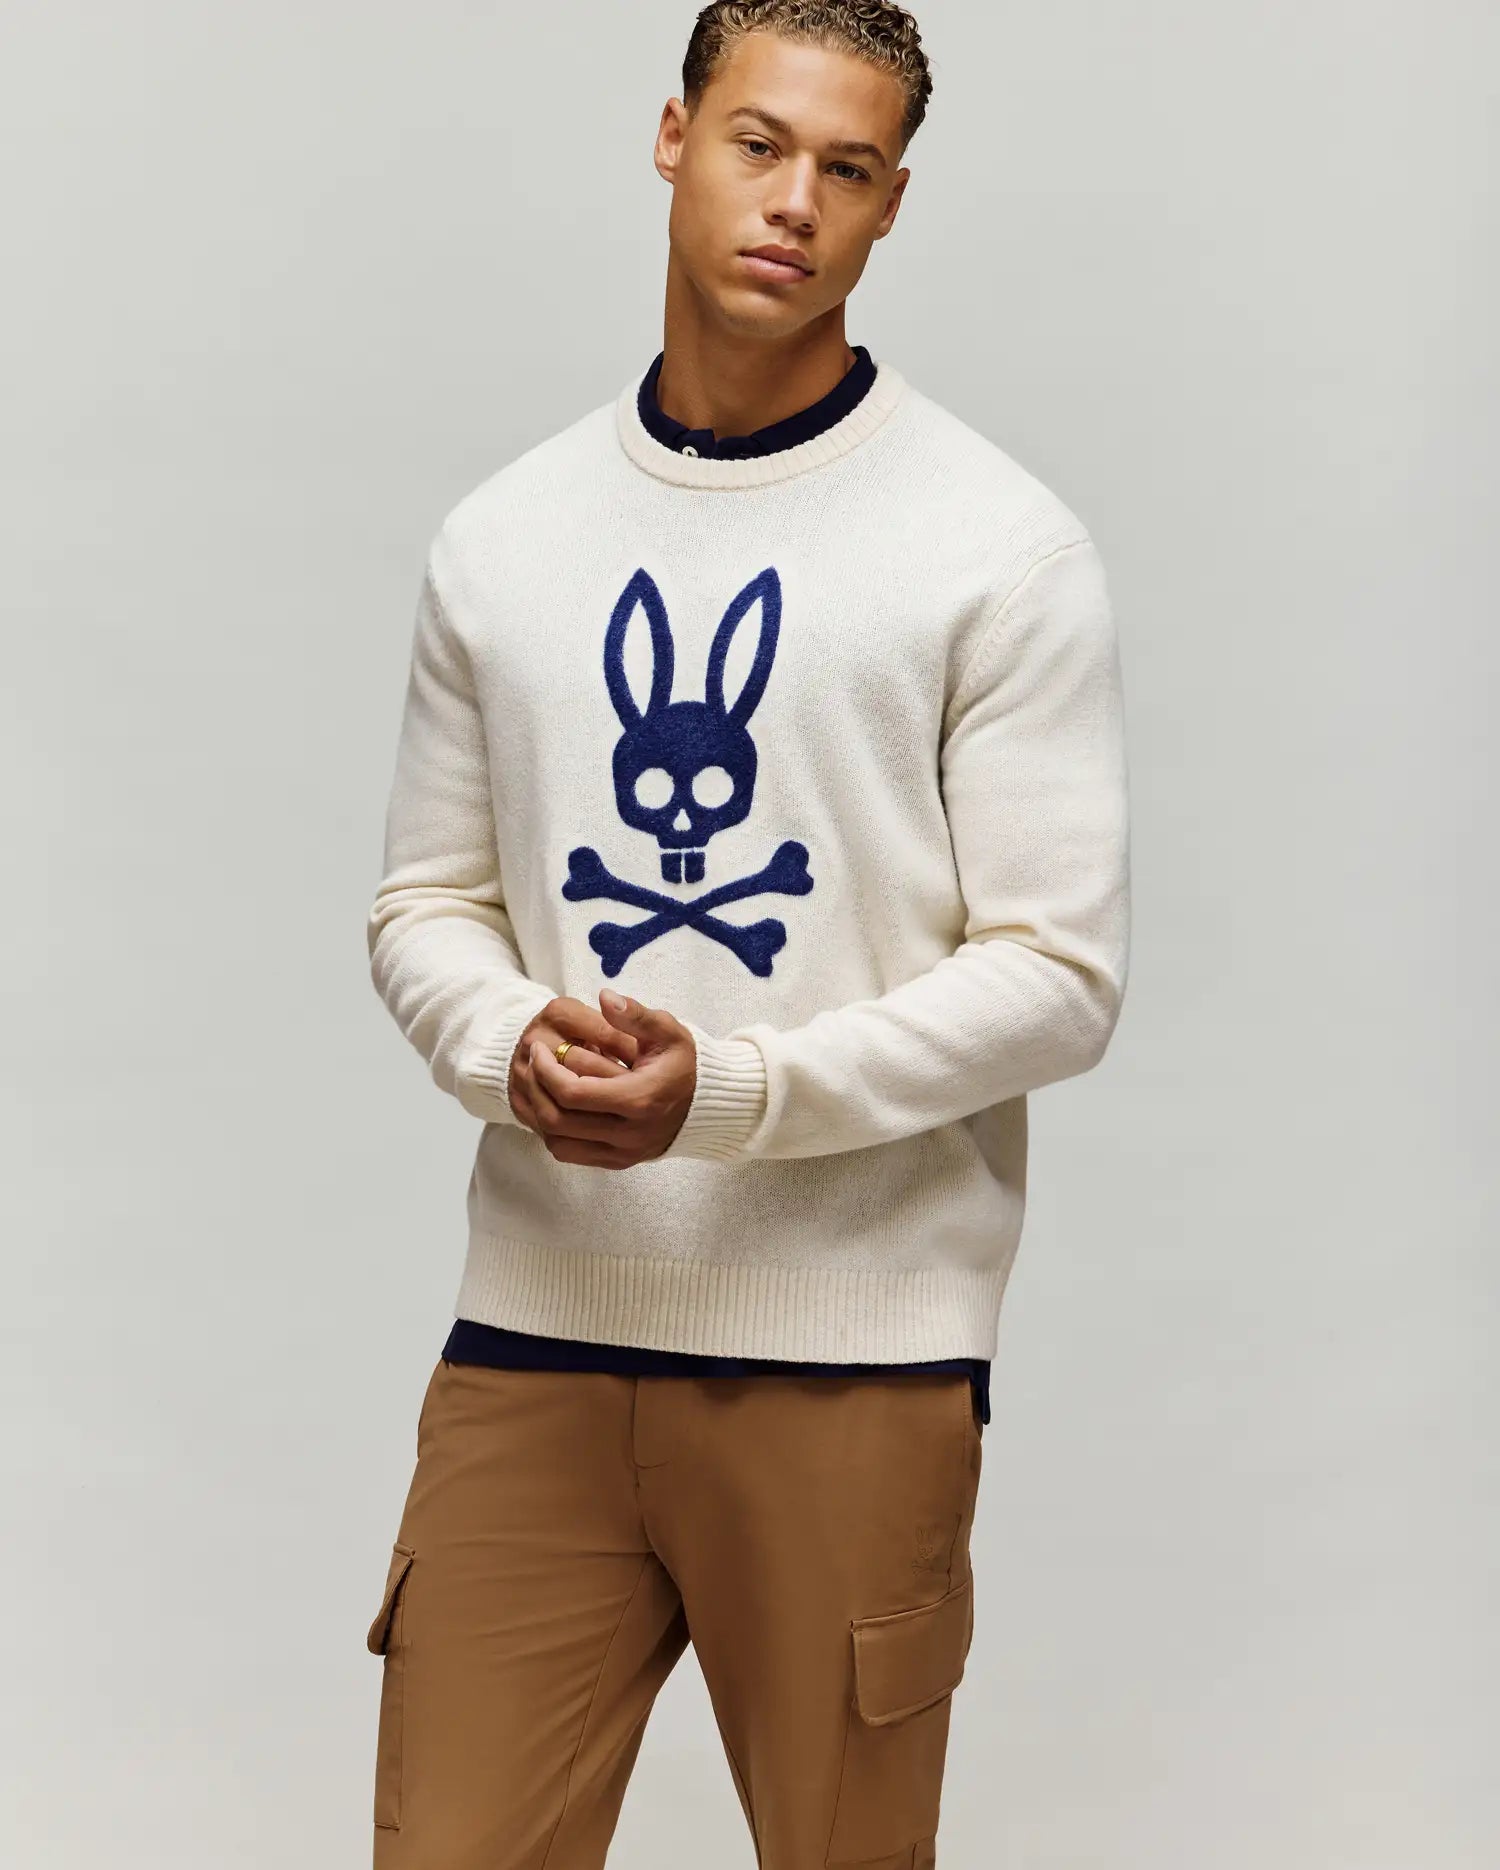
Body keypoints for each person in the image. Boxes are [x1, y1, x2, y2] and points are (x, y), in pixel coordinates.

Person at [361, 3, 1131, 1864]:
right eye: (758, 143)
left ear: (892, 205)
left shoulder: (998, 548)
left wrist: (733, 1088)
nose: (794, 202)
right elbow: (429, 900)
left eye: (846, 169)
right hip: (536, 1335)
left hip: (857, 1361)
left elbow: (1058, 974)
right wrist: (506, 1046)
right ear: (673, 137)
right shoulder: (507, 539)